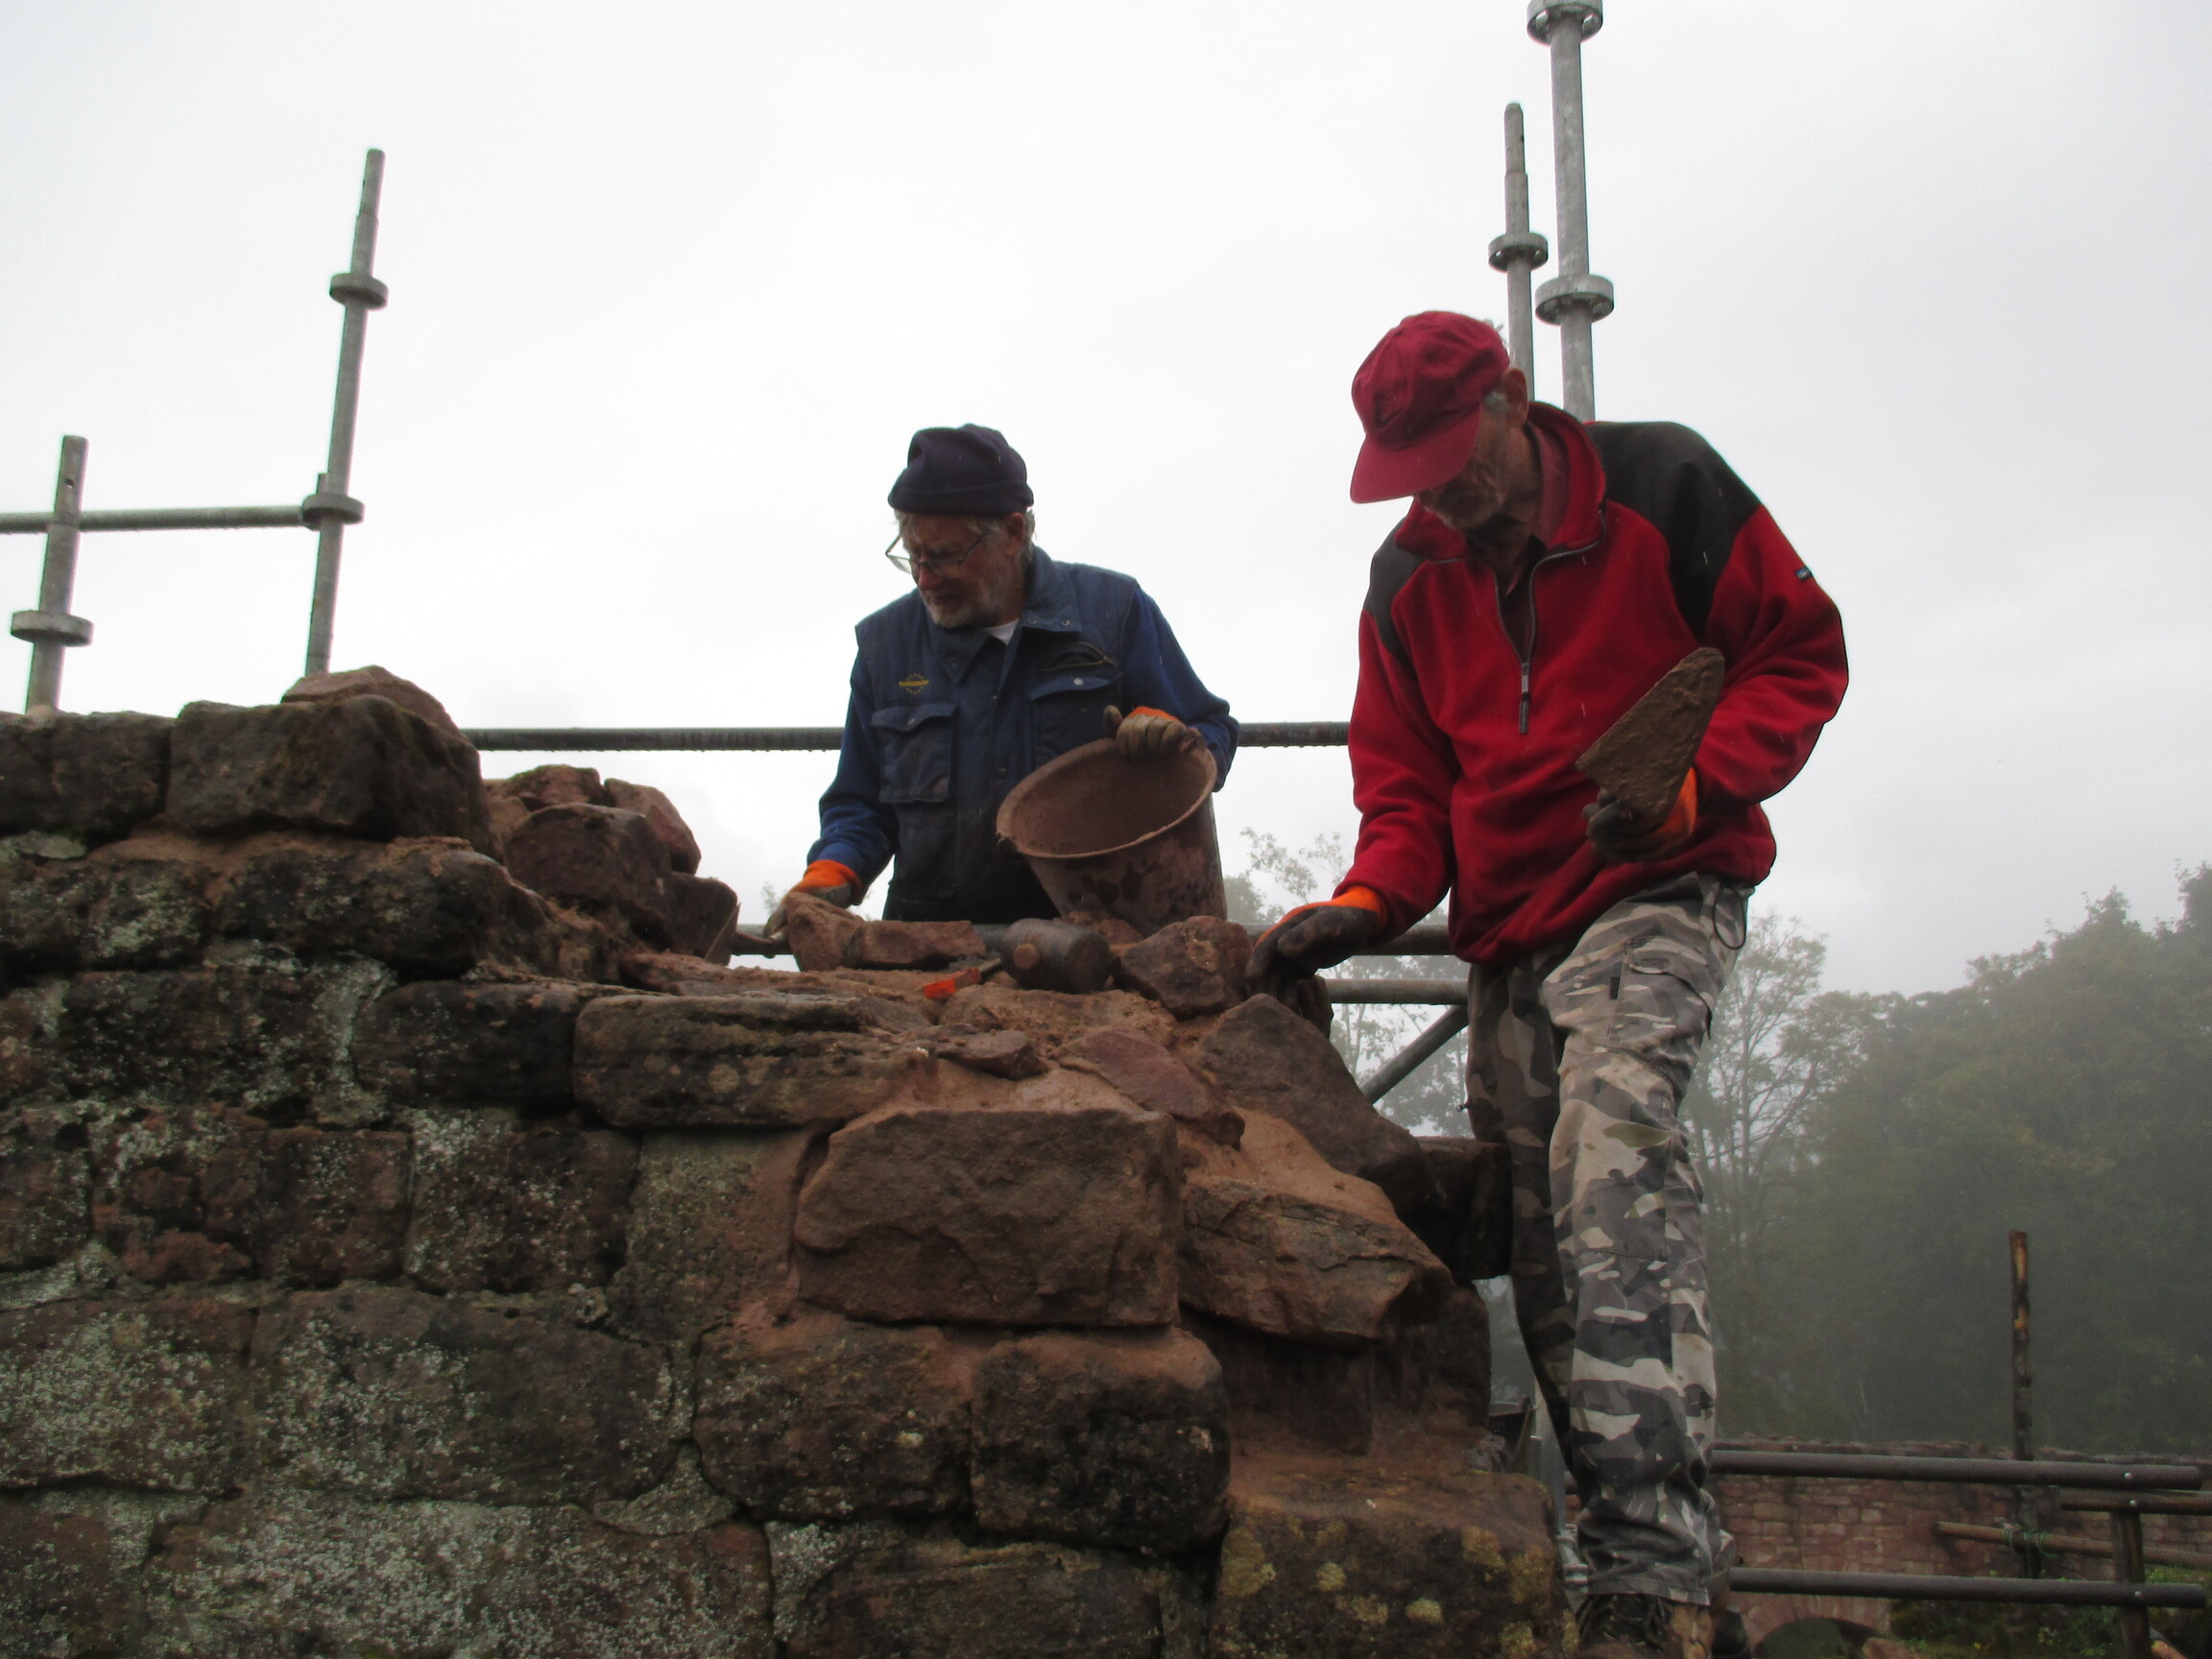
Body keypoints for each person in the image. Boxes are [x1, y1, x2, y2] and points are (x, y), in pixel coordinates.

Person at [1249, 312, 1847, 1659]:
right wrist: (1366, 901)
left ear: (1513, 401)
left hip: (1660, 879)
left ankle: (1656, 1575)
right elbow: (1408, 787)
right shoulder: (1408, 576)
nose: (1441, 494)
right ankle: (1638, 1568)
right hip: (1513, 931)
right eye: (1411, 475)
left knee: (1609, 1157)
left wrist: (1698, 783)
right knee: (1542, 1245)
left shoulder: (1666, 486)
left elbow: (1800, 653)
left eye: (1453, 460)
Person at [768, 423, 1237, 928]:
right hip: (935, 946)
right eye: (912, 556)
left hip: (1100, 938)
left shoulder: (1113, 613)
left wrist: (1174, 740)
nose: (925, 579)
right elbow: (860, 802)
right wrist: (833, 869)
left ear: (1013, 533)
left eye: (944, 557)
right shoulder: (887, 646)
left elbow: (1212, 732)